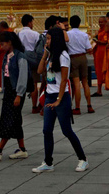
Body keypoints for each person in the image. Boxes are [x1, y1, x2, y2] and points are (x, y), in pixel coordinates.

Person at [33, 25, 86, 174]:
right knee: (46, 130)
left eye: (49, 38)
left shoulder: (63, 55)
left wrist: (58, 99)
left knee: (67, 131)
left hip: (61, 97)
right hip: (50, 95)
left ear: (55, 39)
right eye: (46, 38)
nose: (47, 41)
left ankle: (82, 159)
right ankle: (48, 162)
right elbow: (39, 71)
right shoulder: (50, 55)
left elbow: (64, 80)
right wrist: (44, 55)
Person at [0, 30, 29, 163]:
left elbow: (22, 77)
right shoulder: (7, 56)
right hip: (9, 90)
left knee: (9, 120)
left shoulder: (20, 57)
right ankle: (22, 149)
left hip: (16, 91)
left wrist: (19, 95)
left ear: (10, 43)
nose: (1, 47)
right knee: (15, 120)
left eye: (2, 44)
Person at [66, 16, 95, 110]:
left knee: (76, 82)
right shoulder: (84, 35)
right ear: (79, 24)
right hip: (83, 57)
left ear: (70, 24)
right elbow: (89, 48)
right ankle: (89, 105)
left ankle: (77, 107)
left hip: (73, 58)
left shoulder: (67, 34)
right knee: (85, 82)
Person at [16, 16, 41, 114]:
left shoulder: (18, 34)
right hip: (33, 59)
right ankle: (34, 106)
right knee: (34, 83)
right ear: (30, 23)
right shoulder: (36, 34)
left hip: (22, 58)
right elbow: (38, 49)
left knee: (21, 81)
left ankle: (19, 103)